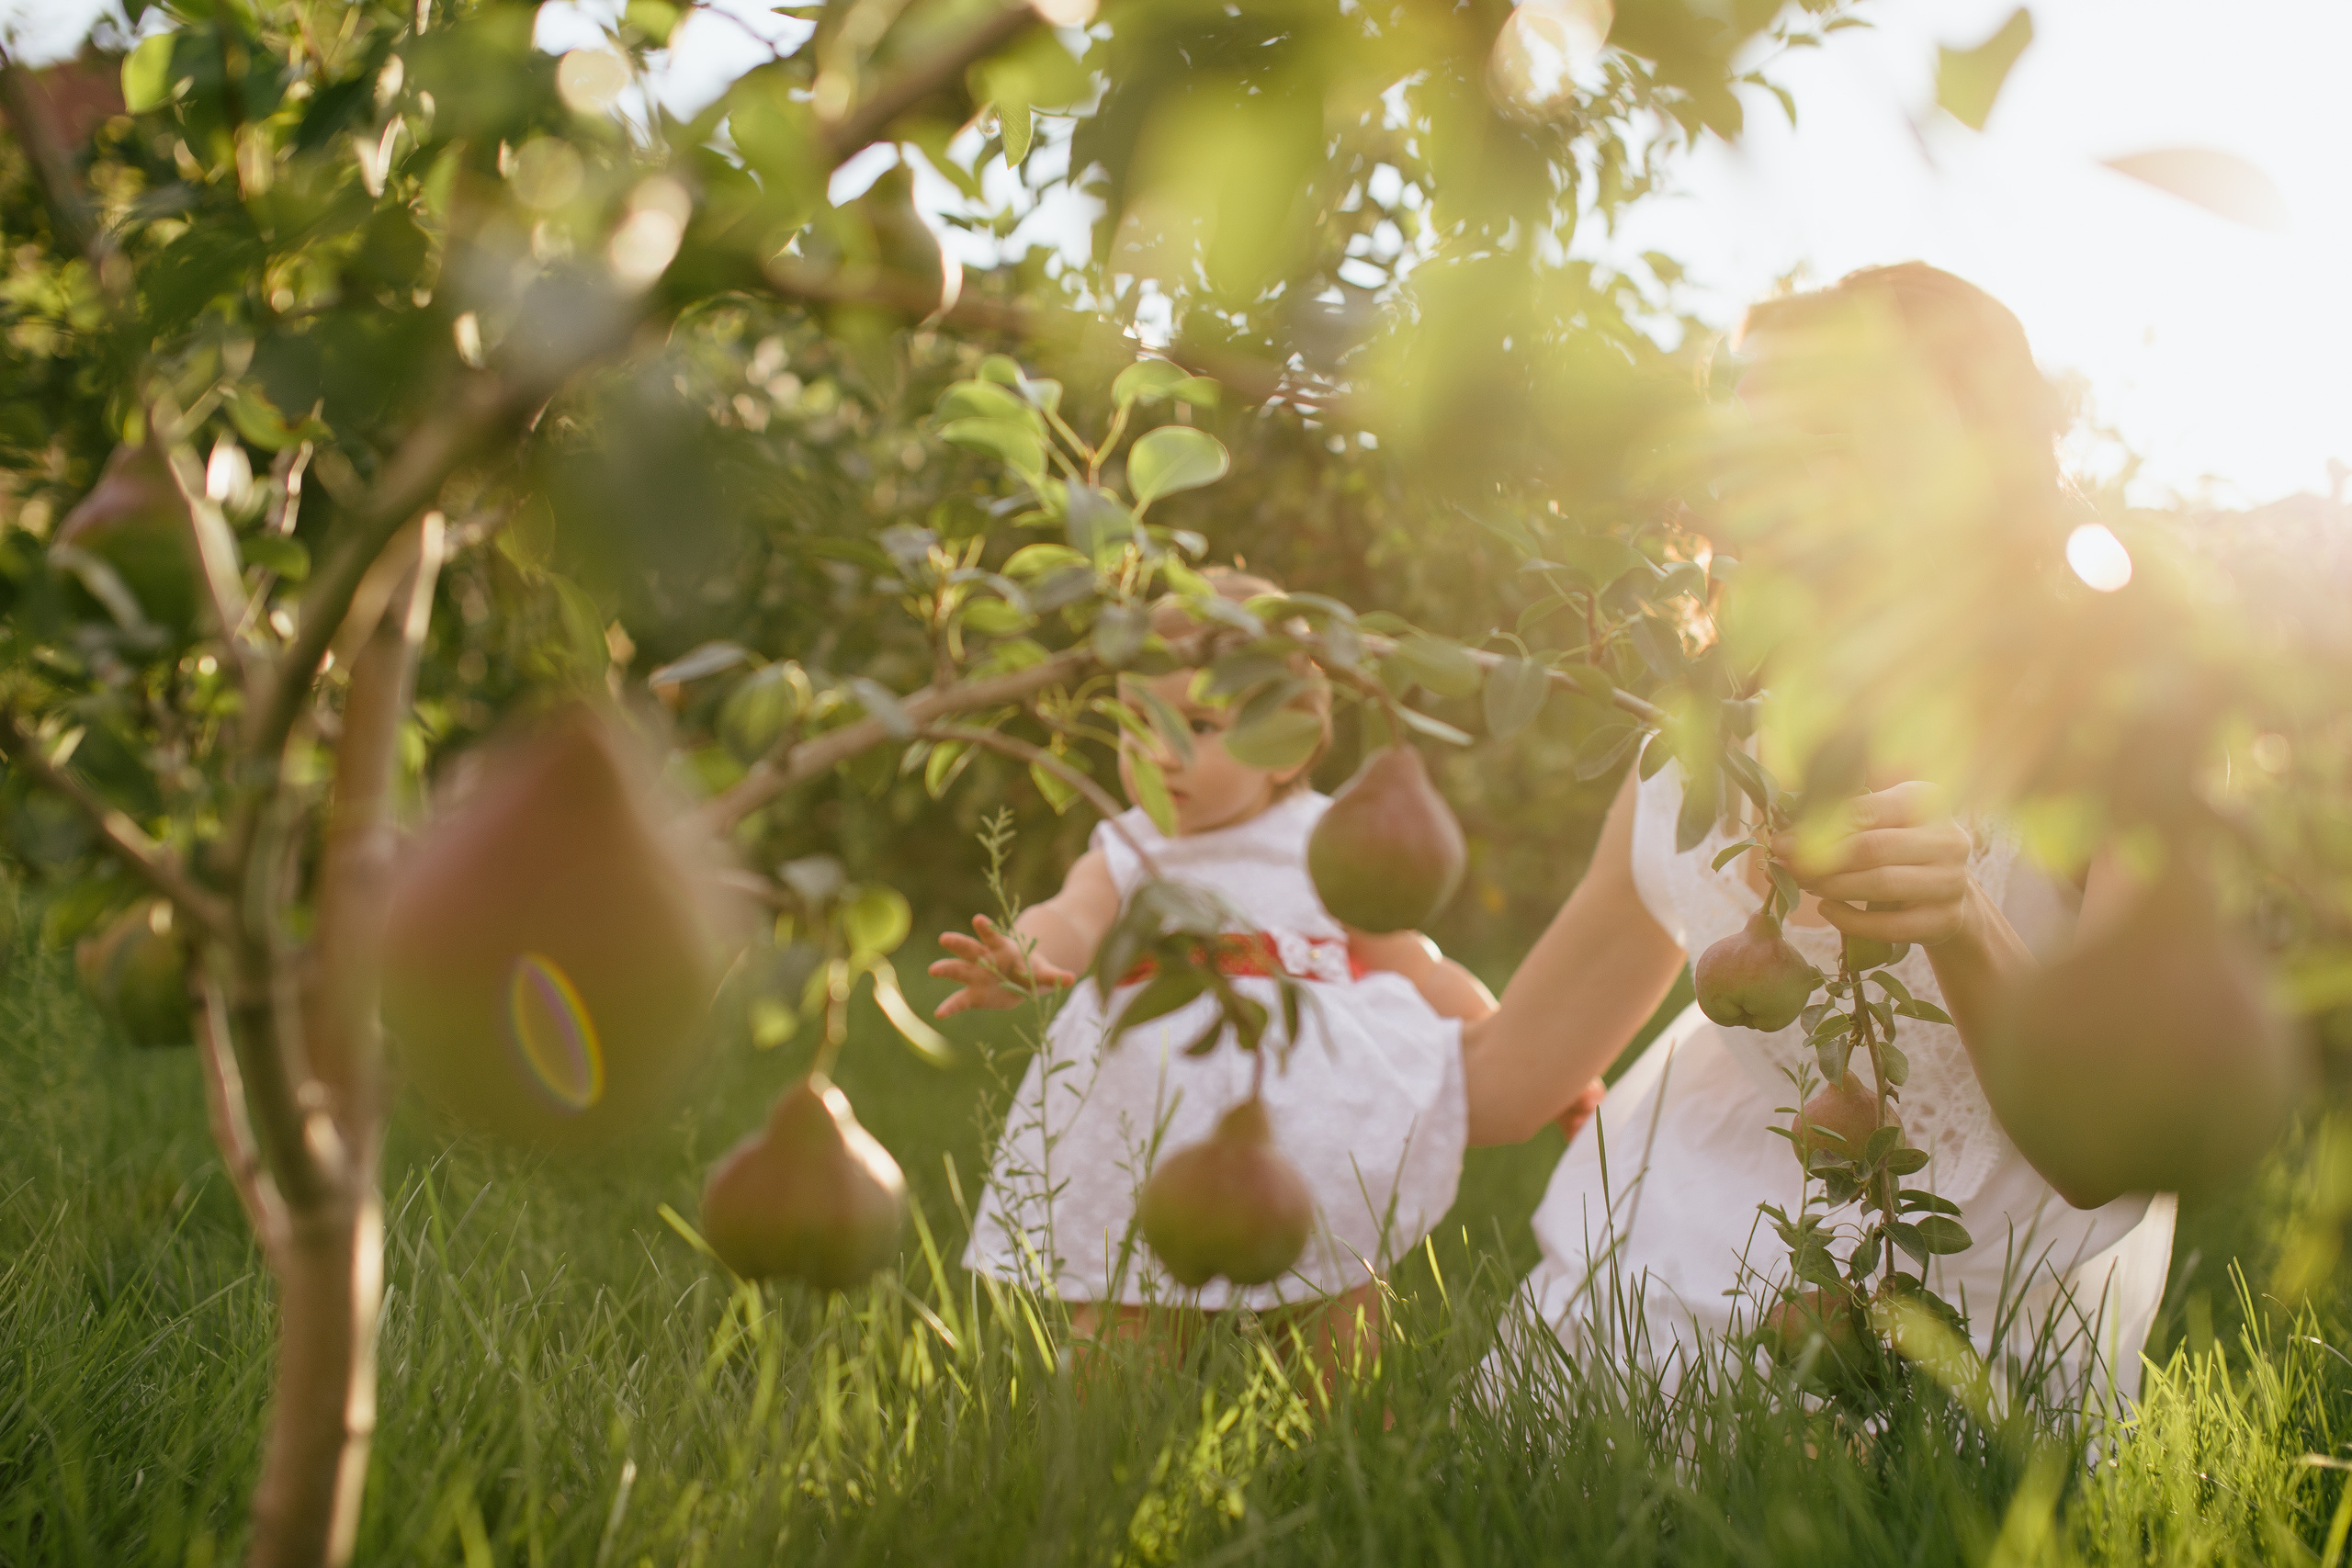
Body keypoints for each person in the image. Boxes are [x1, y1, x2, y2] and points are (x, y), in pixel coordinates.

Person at [1463, 264, 2175, 1403]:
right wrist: (1281, 963)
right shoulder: (1685, 755)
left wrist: (1959, 919)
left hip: (1971, 1341)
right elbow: (1502, 1083)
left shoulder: (2119, 739)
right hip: (1656, 1285)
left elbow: (2106, 1148)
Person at [937, 571, 1492, 1381]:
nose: (1158, 753)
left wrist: (1503, 1037)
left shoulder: (1333, 844)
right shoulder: (1132, 846)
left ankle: (1343, 1454)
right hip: (1152, 1117)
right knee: (1127, 1310)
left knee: (1336, 1300)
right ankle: (1099, 1458)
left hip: (1307, 1123)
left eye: (1198, 723)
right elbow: (1075, 913)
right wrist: (1025, 949)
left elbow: (1414, 961)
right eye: (1136, 723)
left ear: (1292, 743)